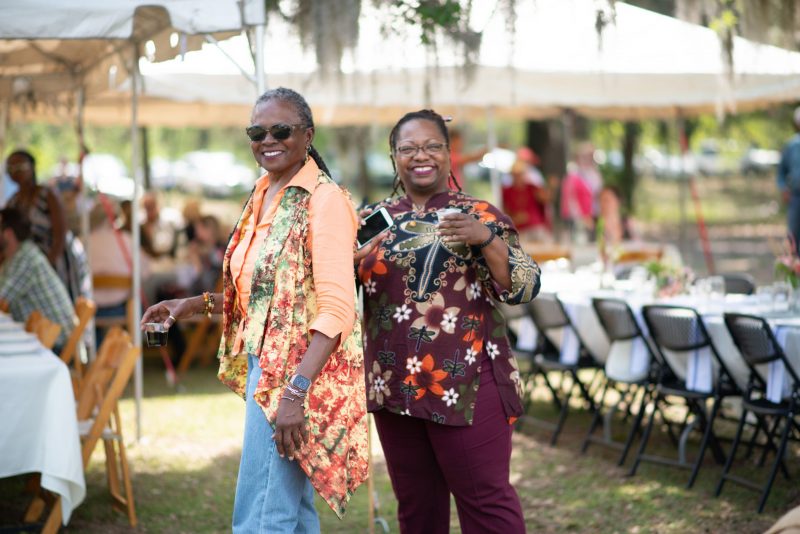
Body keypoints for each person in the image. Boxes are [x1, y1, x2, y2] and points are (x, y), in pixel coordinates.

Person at [140, 87, 368, 532]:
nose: (268, 139)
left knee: (262, 516)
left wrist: (294, 393)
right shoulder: (264, 192)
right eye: (257, 131)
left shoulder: (324, 200)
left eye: (281, 130)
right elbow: (261, 295)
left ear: (308, 135)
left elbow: (337, 308)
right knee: (289, 512)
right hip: (265, 364)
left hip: (297, 374)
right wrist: (189, 305)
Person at [354, 109, 541, 533]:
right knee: (417, 510)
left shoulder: (479, 214)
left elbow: (525, 287)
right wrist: (348, 263)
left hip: (467, 382)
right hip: (393, 384)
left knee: (486, 504)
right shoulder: (369, 222)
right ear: (394, 156)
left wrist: (485, 239)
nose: (421, 156)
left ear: (449, 154)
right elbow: (338, 298)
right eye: (408, 148)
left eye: (432, 146)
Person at [5, 149, 89, 303]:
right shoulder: (13, 201)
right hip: (30, 263)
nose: (15, 172)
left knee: (60, 300)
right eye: (10, 168)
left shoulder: (47, 194)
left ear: (32, 167)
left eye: (20, 167)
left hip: (56, 259)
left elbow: (61, 233)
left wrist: (48, 263)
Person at [0, 207, 76, 350]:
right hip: (43, 336)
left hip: (54, 342)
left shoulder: (25, 258)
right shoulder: (18, 255)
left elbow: (2, 296)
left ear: (8, 234)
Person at [502, 158, 552, 241]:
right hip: (518, 229)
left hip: (536, 227)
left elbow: (545, 200)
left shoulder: (532, 188)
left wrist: (550, 188)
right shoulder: (506, 191)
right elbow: (505, 210)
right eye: (515, 174)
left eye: (520, 174)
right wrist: (515, 218)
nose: (517, 177)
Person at [778, 106, 800, 254]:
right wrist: (783, 188)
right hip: (796, 195)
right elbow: (781, 172)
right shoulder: (791, 146)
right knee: (794, 234)